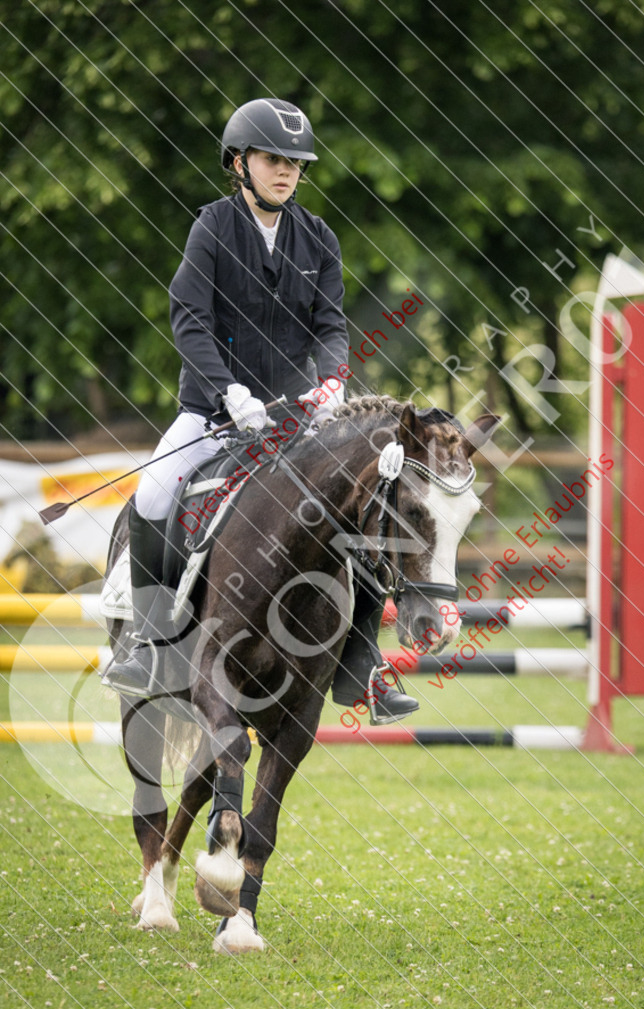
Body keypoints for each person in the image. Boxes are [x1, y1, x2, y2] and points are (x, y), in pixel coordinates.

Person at [105, 97, 418, 724]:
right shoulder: (212, 228)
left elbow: (330, 325)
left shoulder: (318, 237)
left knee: (359, 503)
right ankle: (144, 640)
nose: (286, 172)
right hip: (213, 414)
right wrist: (229, 393)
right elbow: (190, 321)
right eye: (274, 159)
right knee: (154, 494)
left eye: (295, 164)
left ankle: (364, 664)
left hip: (297, 423)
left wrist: (332, 381)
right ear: (239, 162)